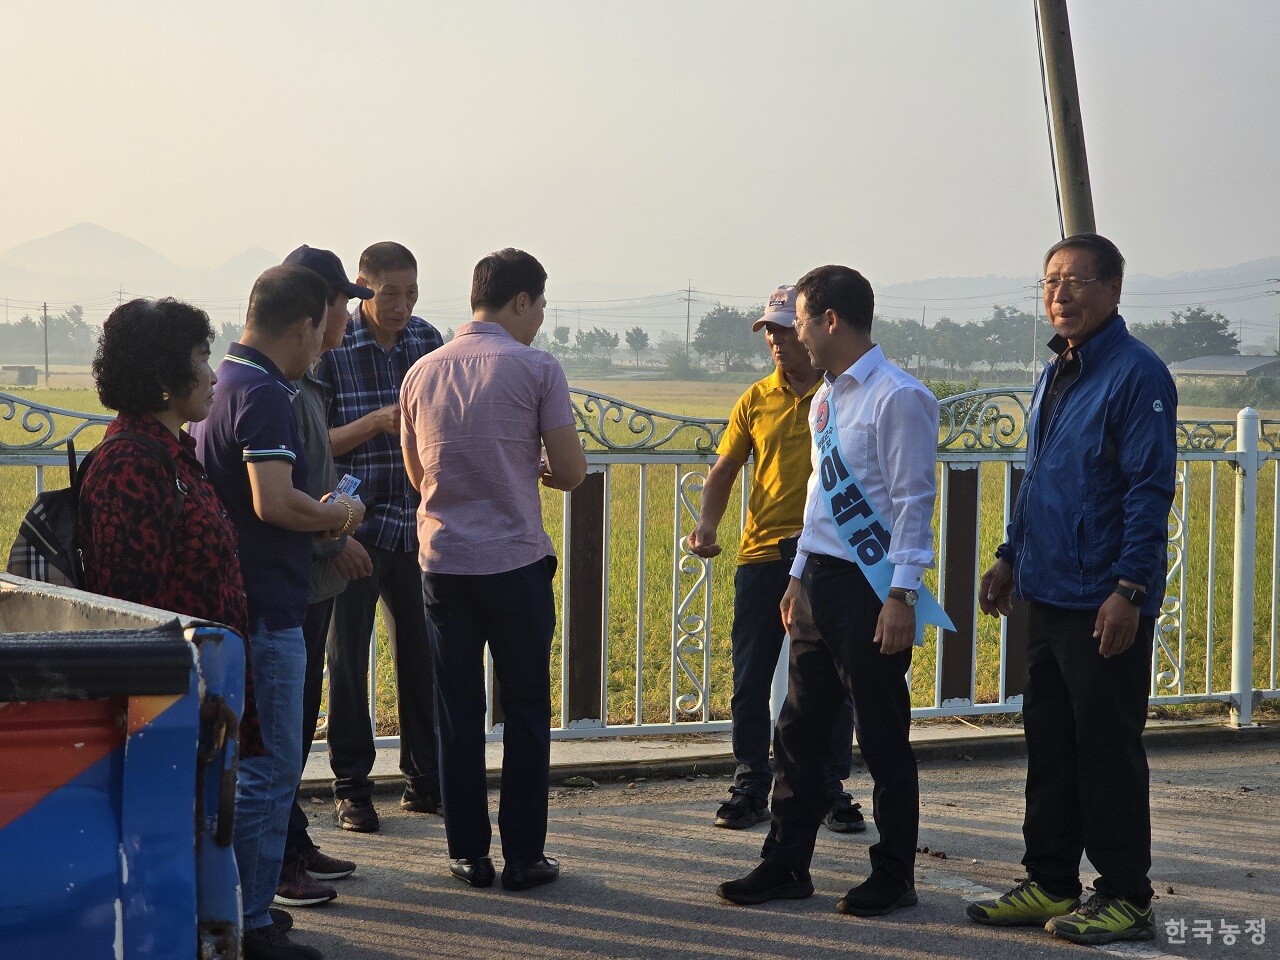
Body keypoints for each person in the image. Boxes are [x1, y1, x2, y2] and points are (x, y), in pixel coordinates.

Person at [718, 264, 945, 918]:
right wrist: (796, 580)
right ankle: (787, 863)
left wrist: (902, 595)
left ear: (831, 321)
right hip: (817, 581)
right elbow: (821, 498)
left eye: (803, 324)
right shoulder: (826, 398)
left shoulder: (898, 396)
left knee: (879, 735)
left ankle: (893, 873)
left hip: (873, 589)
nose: (797, 337)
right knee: (798, 731)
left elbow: (912, 503)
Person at [969, 234, 1176, 946]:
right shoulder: (1054, 370)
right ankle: (1051, 879)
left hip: (1103, 596)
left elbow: (1150, 490)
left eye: (1078, 280)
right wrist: (1007, 555)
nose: (1061, 294)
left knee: (1106, 748)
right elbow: (1041, 476)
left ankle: (1126, 894)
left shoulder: (1136, 374)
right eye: (1051, 281)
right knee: (1050, 742)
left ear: (1115, 290)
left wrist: (1129, 588)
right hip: (1048, 590)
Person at [400, 247, 586, 892]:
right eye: (539, 305)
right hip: (514, 563)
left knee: (456, 708)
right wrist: (525, 470)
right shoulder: (536, 367)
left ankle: (467, 854)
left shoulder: (421, 372)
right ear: (521, 302)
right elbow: (569, 472)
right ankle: (524, 857)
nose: (539, 319)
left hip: (444, 563)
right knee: (528, 709)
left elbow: (417, 473)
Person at [194, 264, 365, 960]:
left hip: (243, 598)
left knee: (256, 761)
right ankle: (252, 921)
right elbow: (274, 500)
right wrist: (337, 514)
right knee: (271, 766)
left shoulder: (227, 382)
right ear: (300, 326)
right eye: (319, 335)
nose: (321, 347)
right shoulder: (267, 392)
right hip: (268, 604)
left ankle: (243, 910)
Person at [686, 284, 861, 833]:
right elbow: (724, 470)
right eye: (770, 333)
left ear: (812, 329)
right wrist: (707, 524)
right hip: (763, 553)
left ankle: (828, 783)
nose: (777, 343)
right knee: (751, 673)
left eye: (785, 330)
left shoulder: (844, 395)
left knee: (835, 676)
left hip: (830, 552)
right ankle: (750, 778)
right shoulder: (755, 399)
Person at [78, 297, 252, 738]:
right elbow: (133, 609)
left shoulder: (169, 453)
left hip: (196, 695)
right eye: (200, 359)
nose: (213, 376)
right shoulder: (131, 464)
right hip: (165, 710)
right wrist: (180, 702)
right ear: (163, 376)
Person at [316, 241, 442, 833]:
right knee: (348, 661)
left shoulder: (426, 341)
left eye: (410, 293)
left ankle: (424, 779)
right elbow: (314, 443)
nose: (400, 306)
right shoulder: (334, 345)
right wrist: (372, 424)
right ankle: (351, 787)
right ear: (363, 289)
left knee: (424, 658)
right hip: (355, 530)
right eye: (389, 293)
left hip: (416, 525)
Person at [272, 246, 376, 915]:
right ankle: (280, 863)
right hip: (295, 582)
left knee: (298, 723)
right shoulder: (277, 391)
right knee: (284, 729)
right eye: (343, 301)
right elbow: (280, 500)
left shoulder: (307, 384)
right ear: (314, 311)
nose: (349, 313)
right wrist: (334, 535)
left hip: (312, 583)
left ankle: (294, 838)